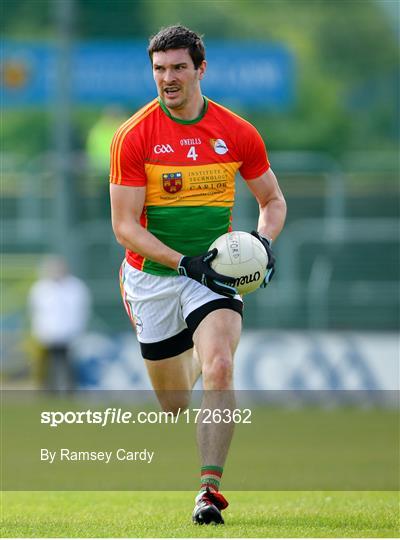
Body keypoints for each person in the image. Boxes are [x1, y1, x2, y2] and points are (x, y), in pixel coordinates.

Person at [110, 25, 286, 524]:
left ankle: (208, 492)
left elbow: (271, 200)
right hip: (151, 276)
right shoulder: (133, 135)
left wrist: (263, 243)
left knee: (222, 366)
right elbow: (125, 228)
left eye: (178, 68)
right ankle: (190, 355)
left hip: (215, 272)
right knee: (172, 404)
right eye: (159, 69)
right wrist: (181, 262)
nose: (168, 78)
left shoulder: (237, 131)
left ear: (200, 69)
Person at [28, 255, 91, 392]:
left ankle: (69, 390)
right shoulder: (40, 288)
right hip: (47, 334)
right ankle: (48, 391)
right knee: (47, 366)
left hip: (68, 334)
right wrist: (38, 331)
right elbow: (36, 311)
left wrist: (77, 331)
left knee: (68, 365)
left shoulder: (76, 286)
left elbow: (80, 311)